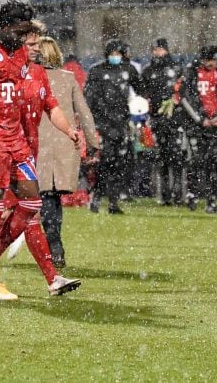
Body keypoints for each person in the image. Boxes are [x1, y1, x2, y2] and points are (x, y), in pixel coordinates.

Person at [0, 2, 81, 300]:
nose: (26, 40)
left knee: (32, 203)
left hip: (17, 143)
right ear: (4, 26)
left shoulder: (23, 55)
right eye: (21, 32)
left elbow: (29, 98)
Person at [35, 35, 99, 268]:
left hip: (37, 143)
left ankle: (48, 244)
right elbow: (84, 113)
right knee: (51, 197)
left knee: (37, 197)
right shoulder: (68, 78)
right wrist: (93, 142)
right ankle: (55, 245)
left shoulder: (30, 77)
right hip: (63, 142)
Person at [84, 38, 145, 214]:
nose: (115, 57)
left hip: (121, 123)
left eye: (118, 54)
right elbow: (88, 97)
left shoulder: (128, 69)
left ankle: (113, 201)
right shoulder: (97, 71)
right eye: (112, 54)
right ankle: (96, 197)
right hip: (102, 124)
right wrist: (91, 122)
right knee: (103, 163)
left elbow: (141, 90)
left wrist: (139, 109)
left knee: (119, 164)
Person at [178, 45, 217, 213]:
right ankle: (193, 193)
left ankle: (212, 199)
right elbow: (185, 97)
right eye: (210, 60)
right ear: (202, 60)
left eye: (215, 60)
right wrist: (200, 119)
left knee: (215, 161)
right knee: (196, 161)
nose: (213, 63)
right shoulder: (191, 72)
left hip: (216, 124)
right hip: (197, 125)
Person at [139, 38, 184, 206]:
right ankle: (166, 195)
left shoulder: (176, 69)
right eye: (156, 50)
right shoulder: (148, 71)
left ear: (166, 50)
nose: (158, 53)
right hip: (157, 120)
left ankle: (178, 193)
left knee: (177, 157)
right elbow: (142, 92)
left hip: (174, 119)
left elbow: (183, 91)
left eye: (160, 49)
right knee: (163, 158)